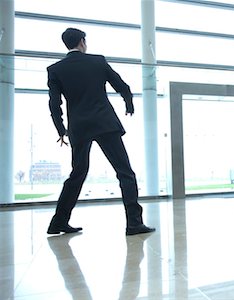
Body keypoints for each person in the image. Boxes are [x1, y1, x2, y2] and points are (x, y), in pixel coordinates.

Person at [47, 28, 154, 236]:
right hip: (104, 123)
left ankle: (58, 222)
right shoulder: (97, 61)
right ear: (82, 42)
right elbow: (121, 85)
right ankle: (133, 223)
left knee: (77, 174)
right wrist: (129, 103)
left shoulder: (55, 69)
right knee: (125, 172)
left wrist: (61, 130)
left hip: (78, 127)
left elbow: (54, 104)